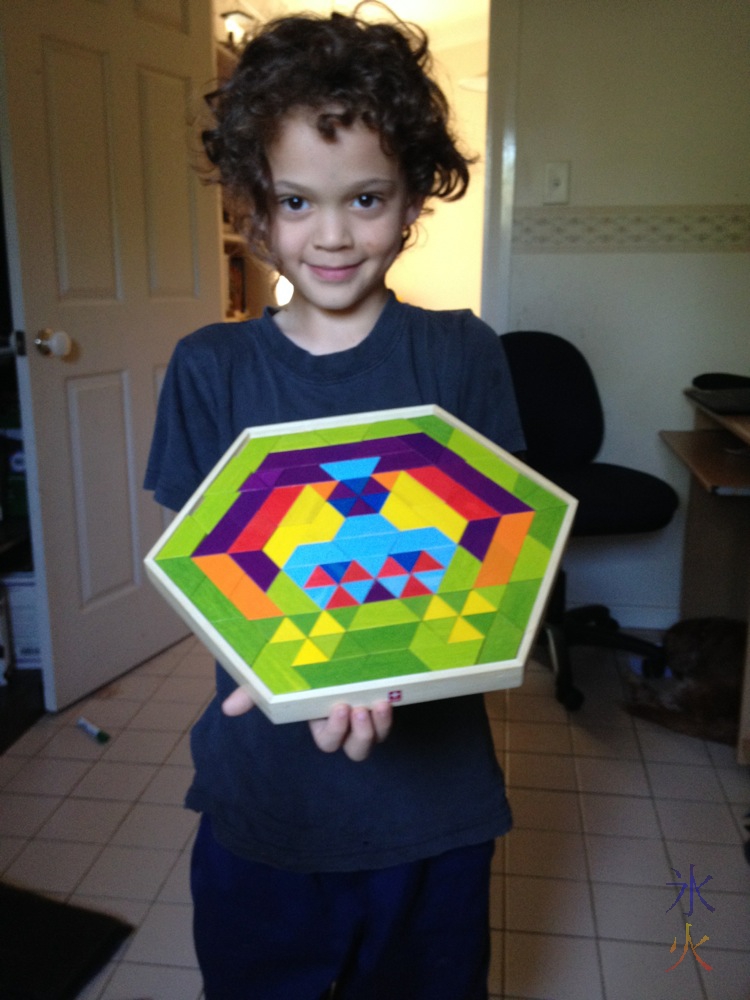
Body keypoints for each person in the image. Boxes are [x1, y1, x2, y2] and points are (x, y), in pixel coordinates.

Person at [144, 6, 525, 999]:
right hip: (265, 802)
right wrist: (306, 663)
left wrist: (387, 659)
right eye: (297, 202)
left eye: (365, 197)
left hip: (431, 810)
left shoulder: (461, 354)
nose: (333, 234)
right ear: (254, 210)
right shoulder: (208, 368)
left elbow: (507, 549)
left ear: (409, 203)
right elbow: (202, 562)